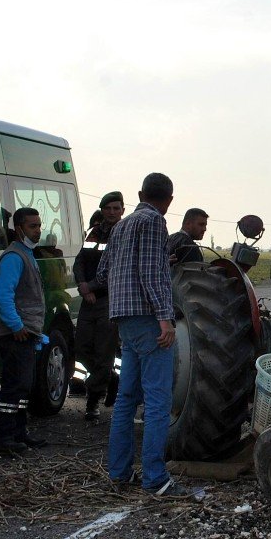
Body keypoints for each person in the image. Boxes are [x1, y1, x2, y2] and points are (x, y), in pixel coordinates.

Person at [95, 173, 187, 496]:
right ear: (170, 201)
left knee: (125, 399)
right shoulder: (154, 222)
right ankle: (155, 478)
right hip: (149, 320)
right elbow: (151, 273)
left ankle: (120, 472)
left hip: (124, 320)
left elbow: (102, 272)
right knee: (158, 401)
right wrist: (165, 319)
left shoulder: (121, 226)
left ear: (139, 193)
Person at [0, 207, 48, 454]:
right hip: (16, 333)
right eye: (32, 226)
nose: (37, 231)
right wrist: (16, 325)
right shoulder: (14, 257)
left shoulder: (27, 254)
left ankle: (19, 433)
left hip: (27, 332)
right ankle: (4, 438)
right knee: (14, 386)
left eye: (38, 225)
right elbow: (3, 294)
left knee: (25, 386)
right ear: (19, 229)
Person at [73, 191, 125, 420]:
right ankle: (110, 378)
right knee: (81, 349)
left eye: (116, 208)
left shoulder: (125, 232)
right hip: (89, 299)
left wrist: (90, 287)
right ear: (102, 210)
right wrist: (83, 284)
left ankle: (92, 403)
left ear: (123, 210)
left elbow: (117, 268)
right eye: (108, 208)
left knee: (104, 353)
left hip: (109, 301)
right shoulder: (94, 232)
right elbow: (80, 261)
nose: (112, 212)